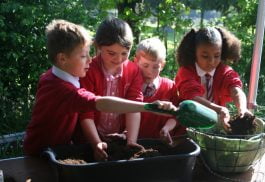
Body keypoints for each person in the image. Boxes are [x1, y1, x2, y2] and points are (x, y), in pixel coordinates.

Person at [23, 19, 176, 156]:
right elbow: (98, 104)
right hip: (40, 151)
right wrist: (148, 106)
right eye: (84, 56)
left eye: (124, 53)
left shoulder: (65, 78)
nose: (90, 60)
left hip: (59, 147)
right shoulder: (61, 88)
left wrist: (130, 139)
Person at [77, 17, 144, 161]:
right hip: (88, 139)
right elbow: (85, 111)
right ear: (99, 46)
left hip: (118, 138)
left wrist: (131, 140)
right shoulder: (88, 70)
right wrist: (96, 143)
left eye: (124, 53)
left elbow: (134, 106)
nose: (118, 59)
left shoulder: (133, 71)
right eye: (111, 53)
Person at [175, 27, 252, 130]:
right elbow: (192, 97)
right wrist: (218, 109)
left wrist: (243, 109)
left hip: (215, 126)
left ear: (223, 52)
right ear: (194, 53)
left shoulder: (224, 71)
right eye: (205, 56)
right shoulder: (186, 72)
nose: (211, 61)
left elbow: (236, 90)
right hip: (188, 126)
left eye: (216, 56)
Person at [134, 37, 186, 145]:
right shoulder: (129, 85)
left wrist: (167, 128)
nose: (149, 71)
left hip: (159, 145)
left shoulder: (169, 87)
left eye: (155, 67)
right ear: (136, 62)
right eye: (145, 65)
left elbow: (177, 115)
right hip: (132, 142)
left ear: (162, 65)